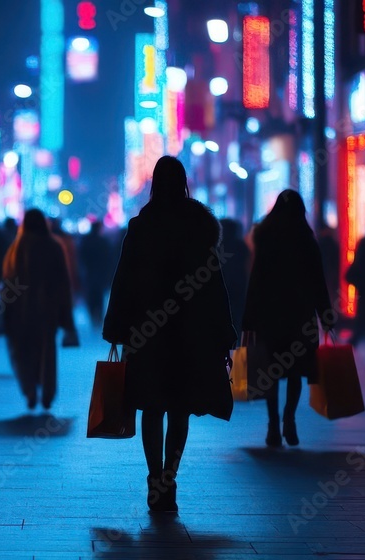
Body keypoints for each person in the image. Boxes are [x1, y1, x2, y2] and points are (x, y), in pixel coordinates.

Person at [103, 156, 236, 512]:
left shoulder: (142, 227)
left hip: (148, 333)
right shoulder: (199, 228)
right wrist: (224, 334)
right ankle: (169, 479)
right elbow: (213, 285)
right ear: (184, 183)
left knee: (151, 406)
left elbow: (124, 282)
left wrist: (117, 328)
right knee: (180, 407)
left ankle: (153, 477)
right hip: (189, 334)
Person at [242, 190, 335, 447]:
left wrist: (248, 319)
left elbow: (256, 281)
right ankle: (289, 421)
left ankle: (272, 425)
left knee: (271, 372)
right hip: (300, 317)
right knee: (295, 372)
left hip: (270, 318)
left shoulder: (266, 238)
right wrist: (326, 315)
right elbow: (318, 281)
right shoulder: (306, 239)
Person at [2, 209, 76, 412]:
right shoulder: (53, 246)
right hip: (47, 310)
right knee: (47, 352)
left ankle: (29, 390)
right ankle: (47, 393)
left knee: (22, 352)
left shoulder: (16, 248)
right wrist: (66, 316)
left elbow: (8, 281)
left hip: (19, 312)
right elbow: (63, 283)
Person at [219, 219, 251, 337]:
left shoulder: (218, 246)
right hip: (239, 288)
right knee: (237, 319)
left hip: (223, 288)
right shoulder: (241, 246)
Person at [79, 221, 114, 326]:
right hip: (100, 274)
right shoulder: (103, 242)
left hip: (89, 273)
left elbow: (81, 257)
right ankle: (98, 316)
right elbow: (108, 259)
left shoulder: (86, 241)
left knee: (91, 296)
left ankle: (93, 315)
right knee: (99, 296)